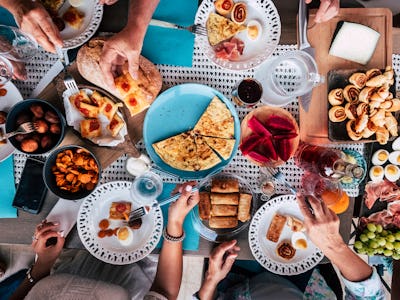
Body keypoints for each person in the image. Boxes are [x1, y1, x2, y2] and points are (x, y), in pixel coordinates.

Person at [8, 182, 199, 300]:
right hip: (140, 268)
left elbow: (23, 293)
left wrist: (43, 263)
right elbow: (165, 292)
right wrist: (175, 222)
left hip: (72, 260)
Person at [195, 194, 385, 299]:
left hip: (237, 277)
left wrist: (212, 279)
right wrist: (333, 246)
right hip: (310, 281)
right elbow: (372, 296)